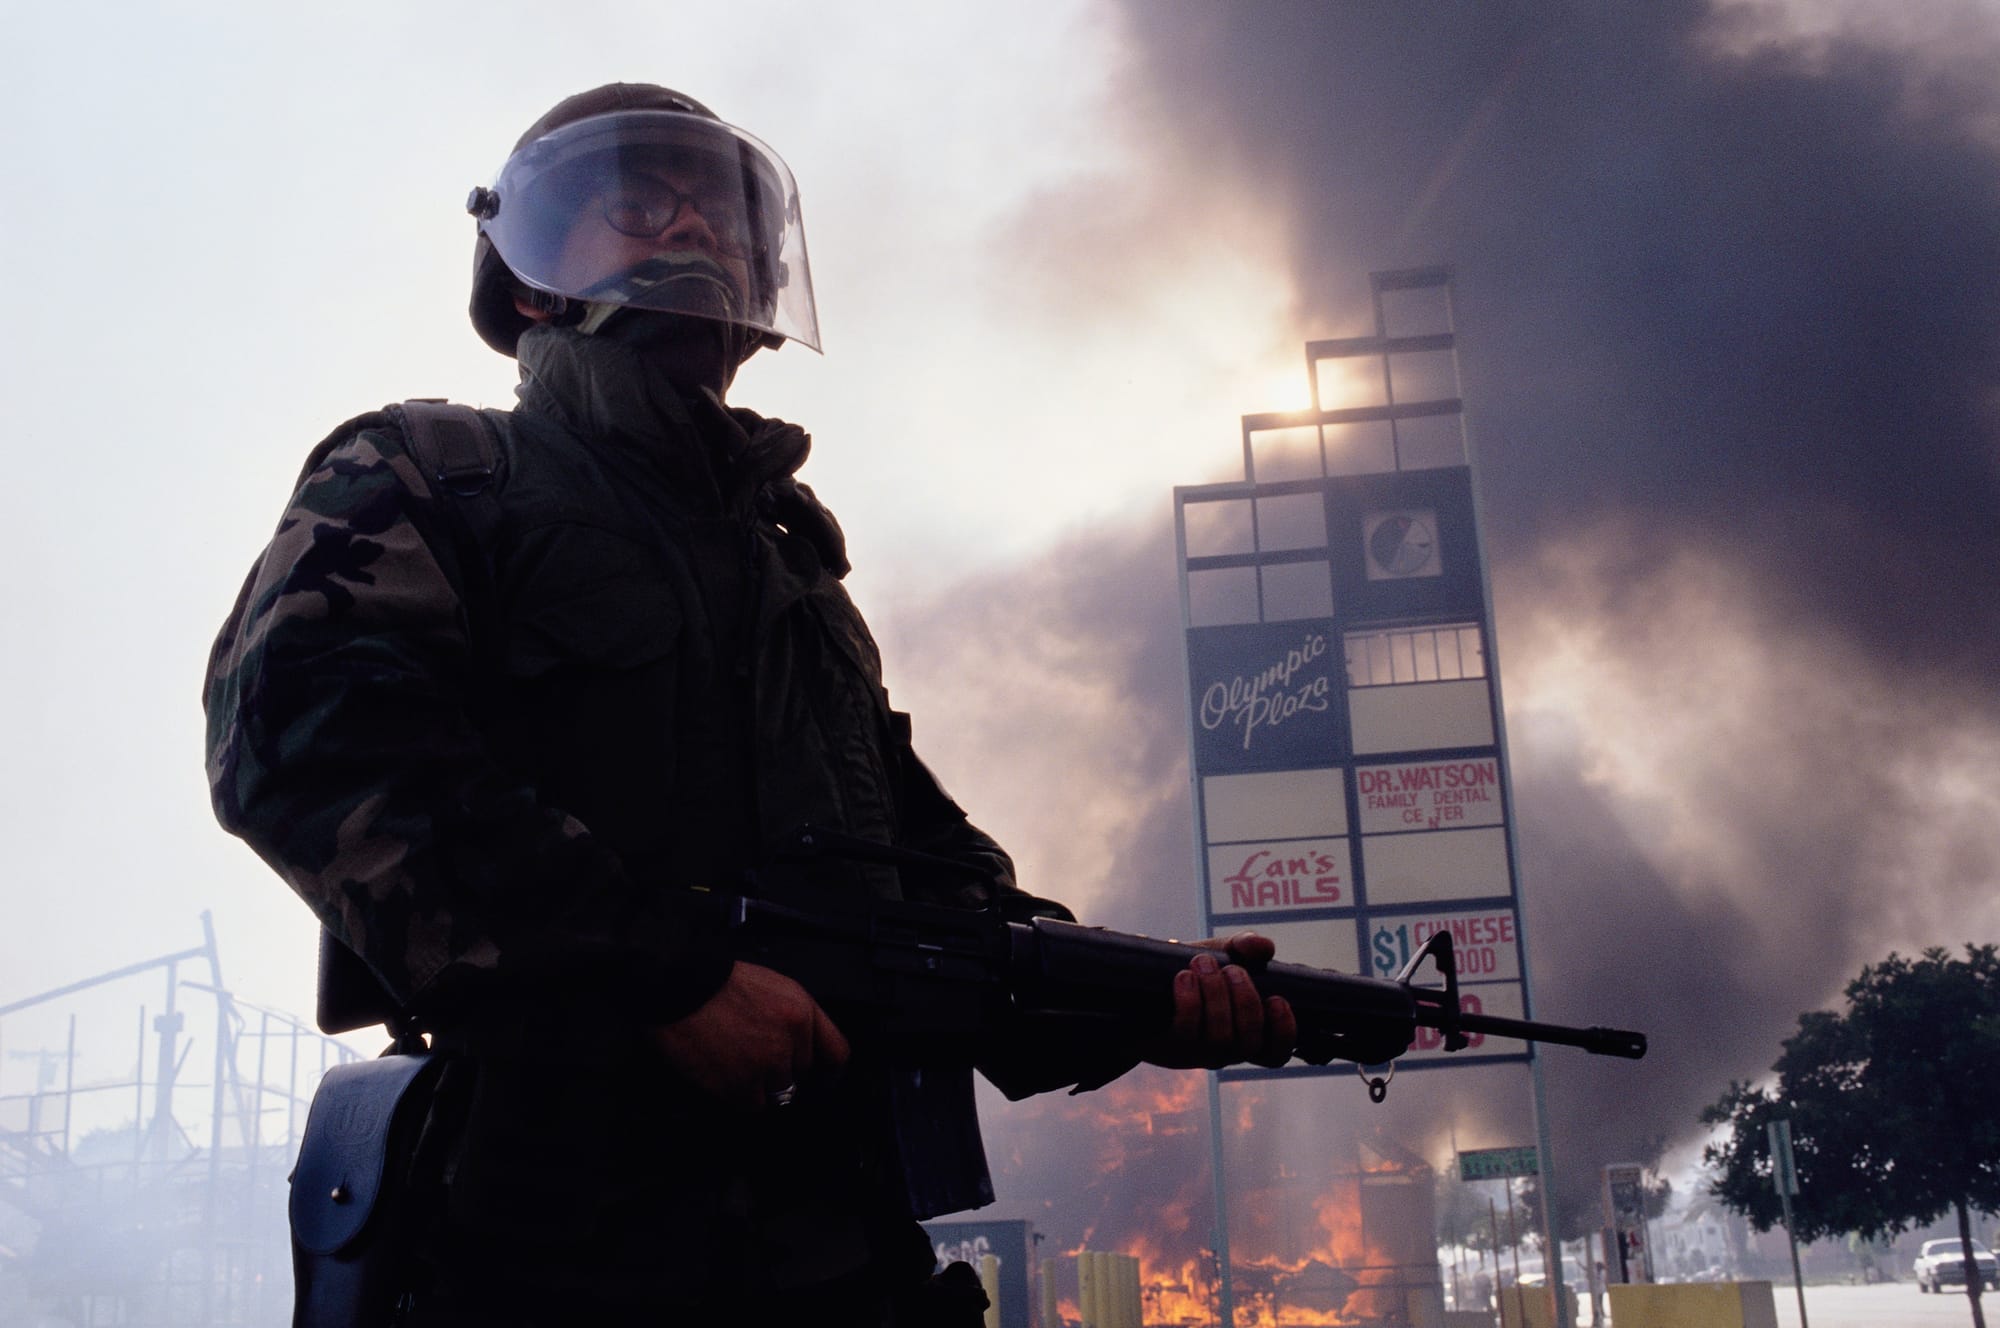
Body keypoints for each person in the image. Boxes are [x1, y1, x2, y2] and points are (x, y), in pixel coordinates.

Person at [205, 83, 1295, 1325]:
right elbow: (304, 735)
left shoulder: (789, 567)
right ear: (525, 276)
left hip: (838, 1254)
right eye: (636, 202)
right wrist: (660, 983)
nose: (697, 234)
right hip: (555, 1247)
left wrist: (1148, 995)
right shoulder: (433, 471)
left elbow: (923, 892)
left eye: (724, 214)